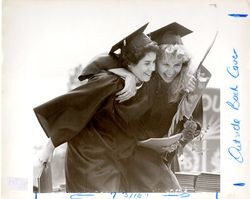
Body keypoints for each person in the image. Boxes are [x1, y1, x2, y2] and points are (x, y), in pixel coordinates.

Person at [78, 22, 203, 192]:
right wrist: (126, 74)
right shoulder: (144, 76)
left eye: (177, 65)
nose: (170, 71)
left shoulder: (188, 83)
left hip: (165, 157)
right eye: (165, 64)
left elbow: (193, 125)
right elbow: (102, 64)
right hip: (134, 153)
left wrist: (190, 102)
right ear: (154, 61)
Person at [34, 23, 159, 192]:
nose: (152, 68)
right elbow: (75, 108)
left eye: (154, 62)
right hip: (90, 160)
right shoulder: (109, 81)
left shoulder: (141, 85)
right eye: (147, 63)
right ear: (130, 63)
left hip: (113, 158)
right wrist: (48, 149)